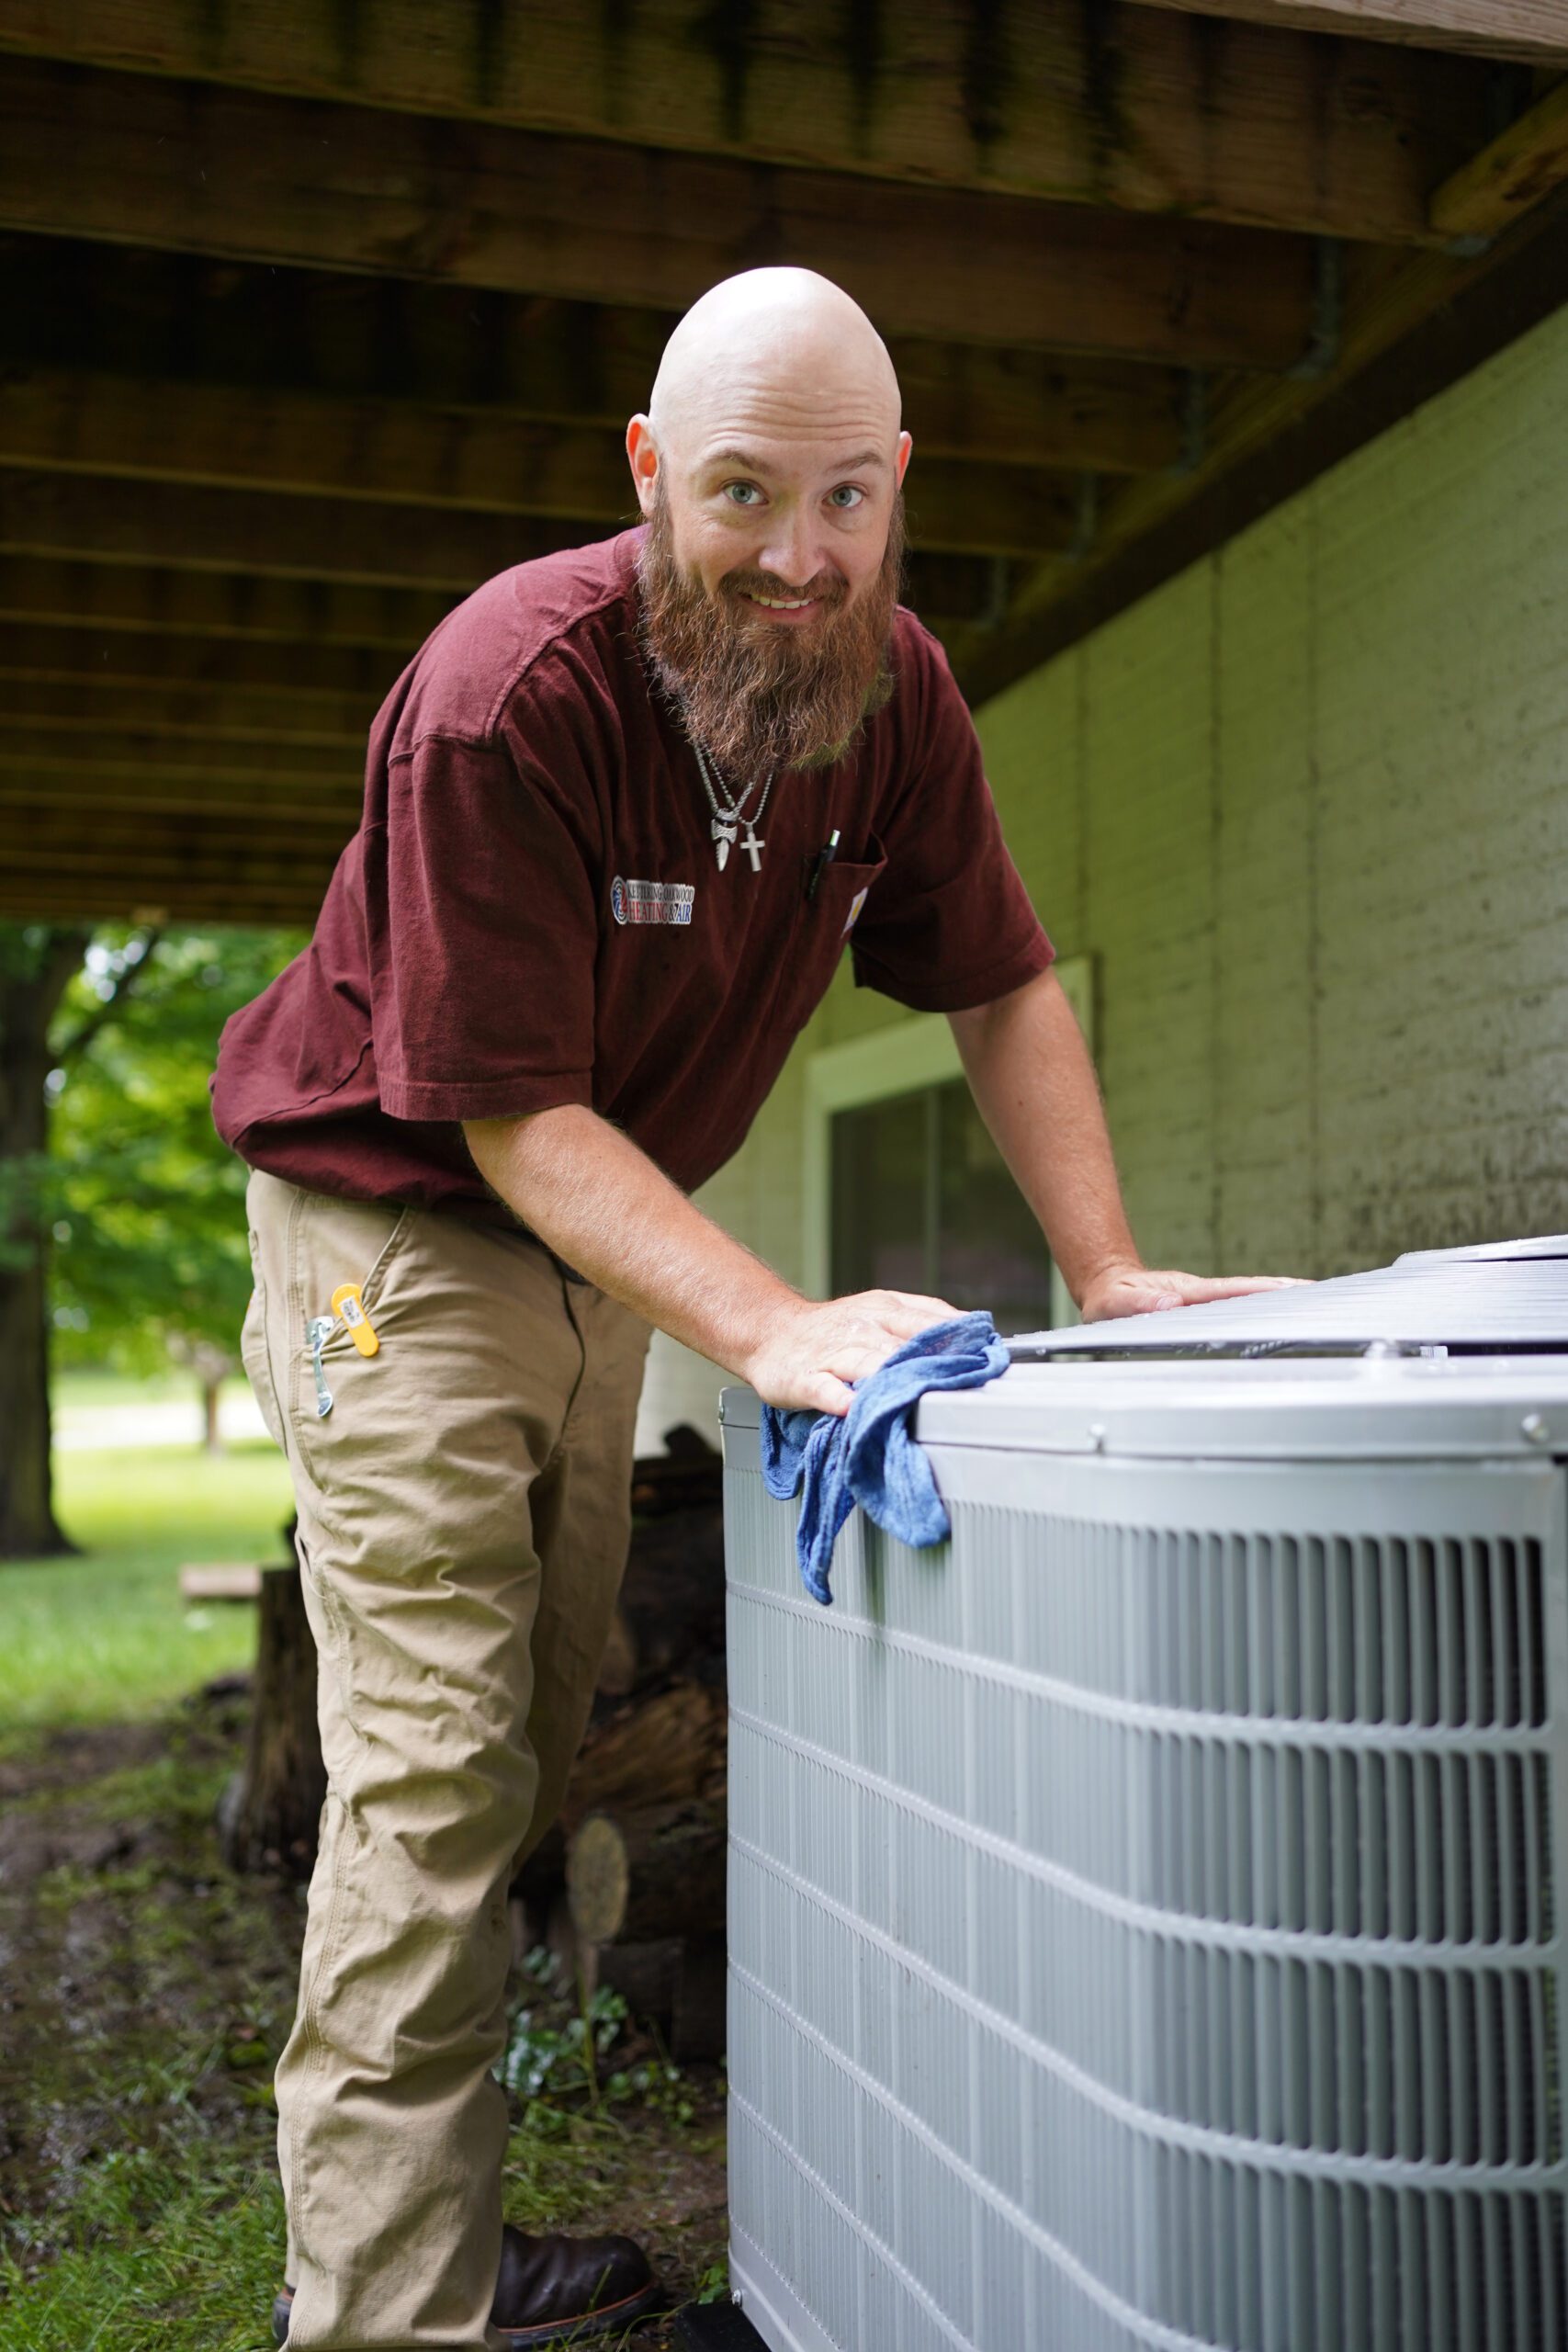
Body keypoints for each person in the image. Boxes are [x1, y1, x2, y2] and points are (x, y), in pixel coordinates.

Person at [213, 266, 1293, 2351]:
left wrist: (1105, 1270)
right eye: (736, 494)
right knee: (432, 1772)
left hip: (603, 1225)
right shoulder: (502, 696)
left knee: (527, 1746)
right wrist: (771, 1323)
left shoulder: (889, 688)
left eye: (841, 500)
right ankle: (370, 2315)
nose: (794, 560)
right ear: (646, 474)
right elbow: (514, 1117)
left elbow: (995, 979)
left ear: (897, 487)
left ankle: (431, 2245)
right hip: (399, 1214)